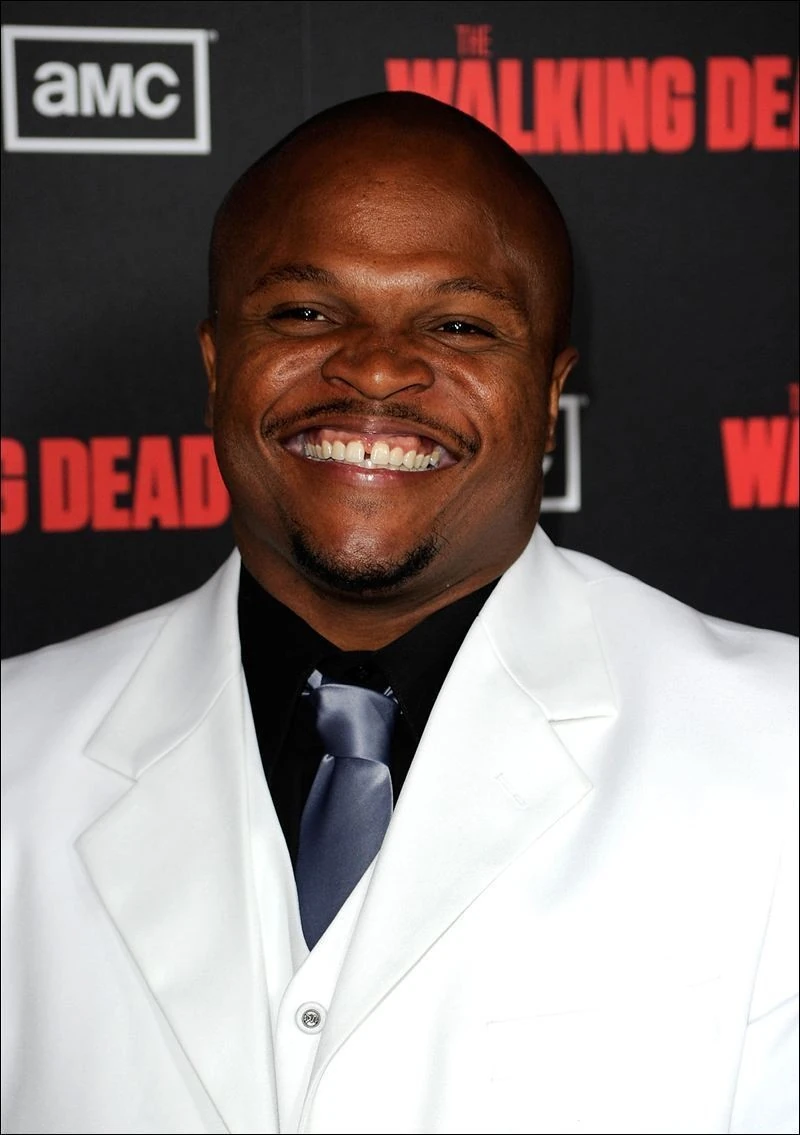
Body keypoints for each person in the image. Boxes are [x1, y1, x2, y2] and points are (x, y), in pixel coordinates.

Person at [1, 92, 797, 1135]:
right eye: (305, 313)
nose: (374, 368)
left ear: (548, 396)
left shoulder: (777, 750)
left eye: (459, 325)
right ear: (215, 367)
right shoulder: (16, 749)